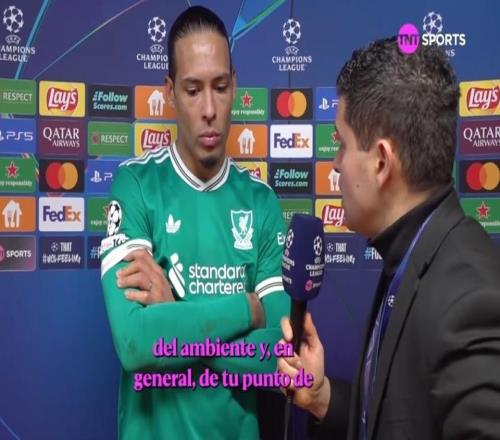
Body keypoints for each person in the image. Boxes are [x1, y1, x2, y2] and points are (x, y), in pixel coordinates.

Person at [278, 37, 500, 439]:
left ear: (381, 161)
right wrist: (322, 397)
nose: (335, 165)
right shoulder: (411, 254)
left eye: (341, 145)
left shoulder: (470, 300)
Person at [99, 6, 289, 439]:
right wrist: (249, 309)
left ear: (234, 86)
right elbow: (135, 343)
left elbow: (280, 355)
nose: (209, 109)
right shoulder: (136, 186)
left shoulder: (260, 202)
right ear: (169, 93)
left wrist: (173, 314)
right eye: (192, 90)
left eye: (220, 87)